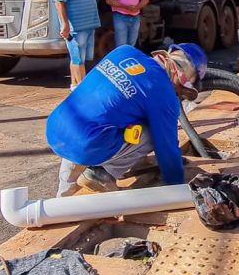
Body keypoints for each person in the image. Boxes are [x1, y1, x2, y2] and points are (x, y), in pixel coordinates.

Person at [47, 42, 208, 197]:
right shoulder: (163, 91)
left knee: (101, 118)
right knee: (153, 132)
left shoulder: (124, 51)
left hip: (58, 127)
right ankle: (101, 173)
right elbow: (166, 145)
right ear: (183, 76)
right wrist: (176, 185)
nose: (178, 94)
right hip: (88, 144)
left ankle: (59, 203)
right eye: (182, 90)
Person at [55, 0, 100, 90]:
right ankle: (83, 90)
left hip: (88, 26)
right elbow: (59, 1)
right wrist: (65, 24)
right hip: (76, 28)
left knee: (79, 57)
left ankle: (75, 85)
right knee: (78, 59)